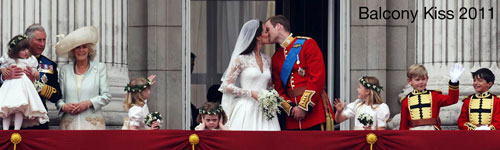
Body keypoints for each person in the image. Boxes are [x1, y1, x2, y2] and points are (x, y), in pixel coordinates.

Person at [266, 15, 334, 130]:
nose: (266, 33)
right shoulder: (276, 57)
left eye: (268, 29)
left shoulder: (307, 44)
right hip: (293, 117)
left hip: (314, 113)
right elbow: (279, 89)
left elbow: (318, 77)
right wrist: (291, 108)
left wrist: (303, 107)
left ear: (278, 26)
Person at [219, 19, 280, 131]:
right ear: (258, 37)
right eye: (266, 31)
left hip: (266, 110)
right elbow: (226, 86)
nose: (268, 34)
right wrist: (250, 93)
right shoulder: (241, 59)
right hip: (246, 109)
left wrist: (272, 97)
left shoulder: (267, 59)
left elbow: (269, 86)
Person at [0, 24, 62, 129]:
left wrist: (35, 83)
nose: (42, 44)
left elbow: (56, 95)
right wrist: (4, 77)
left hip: (36, 122)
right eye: (38, 40)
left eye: (44, 40)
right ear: (27, 40)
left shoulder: (49, 65)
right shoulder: (9, 61)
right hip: (11, 120)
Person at [55, 26, 111, 130]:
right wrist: (64, 106)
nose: (81, 50)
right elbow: (59, 98)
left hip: (93, 125)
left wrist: (88, 103)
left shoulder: (99, 68)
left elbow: (106, 96)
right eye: (77, 47)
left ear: (89, 50)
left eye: (84, 47)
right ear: (73, 50)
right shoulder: (64, 70)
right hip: (69, 125)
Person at [400, 63, 464, 130]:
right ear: (409, 81)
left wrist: (453, 81)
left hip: (432, 132)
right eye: (417, 80)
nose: (421, 82)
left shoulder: (434, 96)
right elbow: (403, 124)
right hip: (413, 134)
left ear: (427, 79)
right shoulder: (406, 101)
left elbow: (452, 99)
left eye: (423, 79)